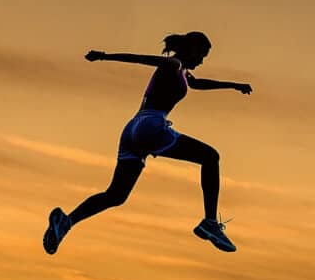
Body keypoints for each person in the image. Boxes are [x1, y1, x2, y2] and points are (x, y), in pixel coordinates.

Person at [43, 31, 252, 255]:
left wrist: (234, 85)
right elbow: (142, 59)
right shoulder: (173, 64)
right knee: (210, 157)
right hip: (151, 125)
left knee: (116, 195)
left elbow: (197, 84)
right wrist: (104, 56)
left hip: (133, 128)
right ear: (191, 49)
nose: (201, 61)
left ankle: (66, 222)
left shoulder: (182, 71)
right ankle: (210, 222)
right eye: (201, 55)